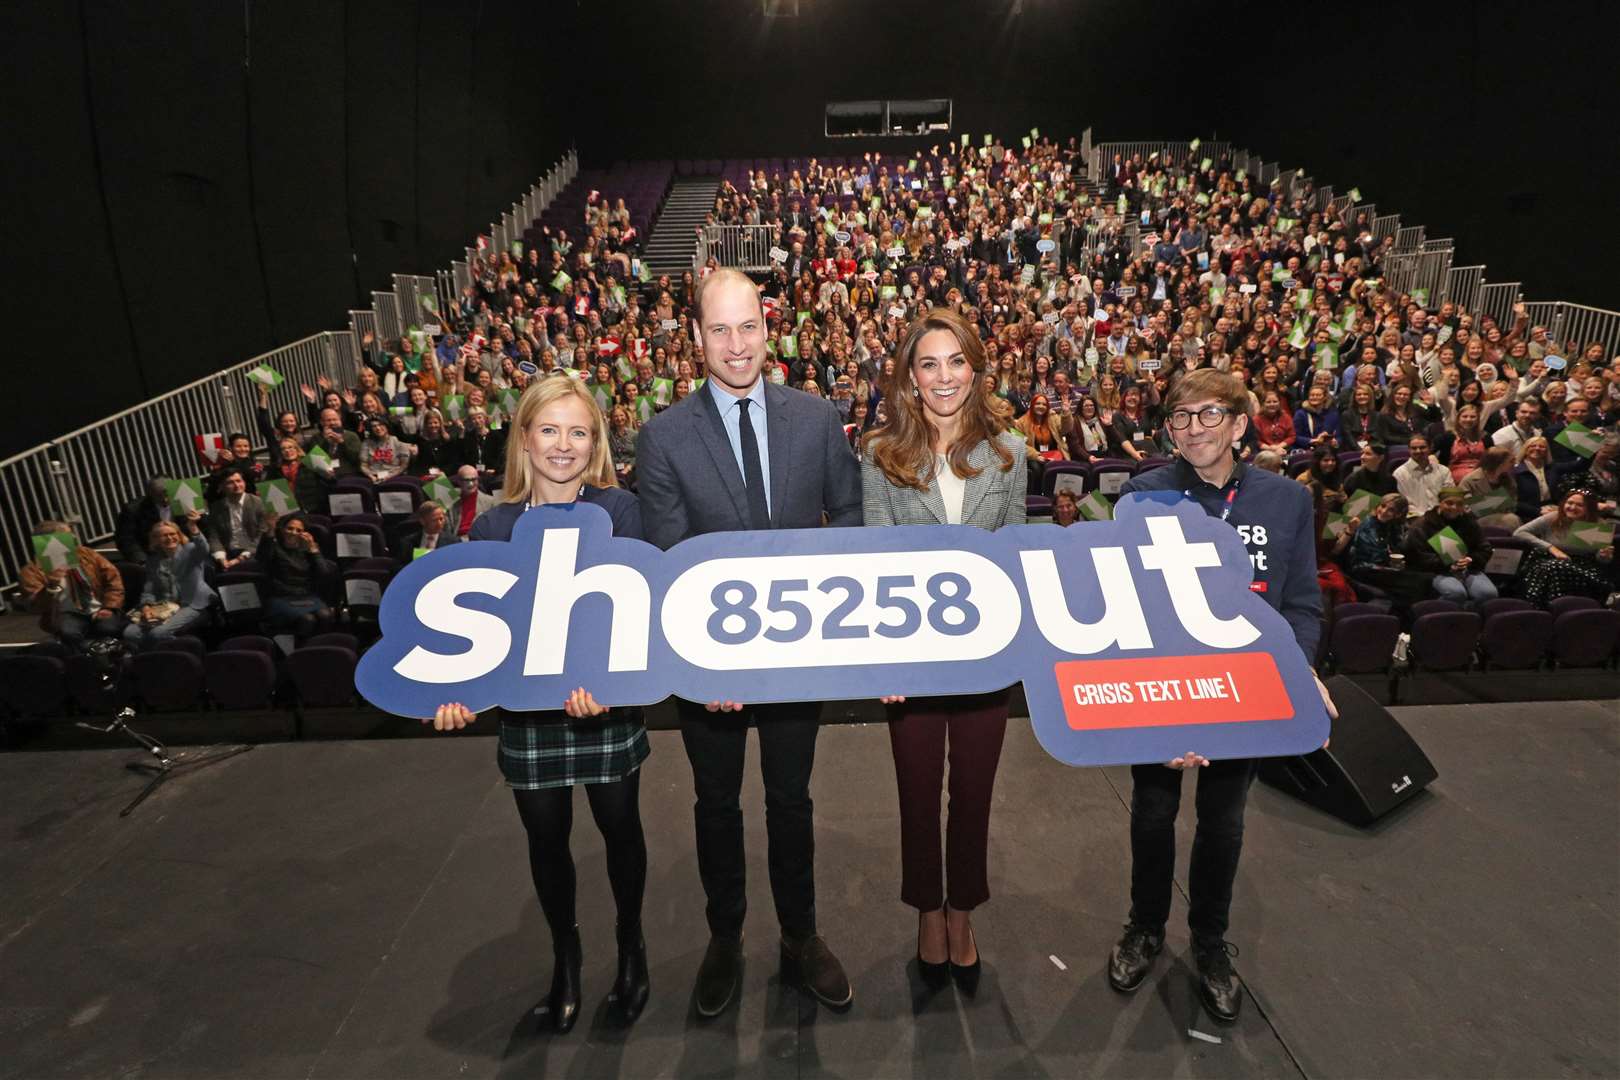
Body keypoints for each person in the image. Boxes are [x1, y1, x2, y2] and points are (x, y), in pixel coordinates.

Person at [635, 268, 862, 1017]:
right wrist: (706, 664)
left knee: (792, 801)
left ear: (770, 330)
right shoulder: (663, 437)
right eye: (720, 330)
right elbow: (669, 558)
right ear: (695, 339)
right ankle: (725, 937)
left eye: (749, 327)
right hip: (712, 673)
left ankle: (800, 936)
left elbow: (850, 524)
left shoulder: (819, 419)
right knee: (715, 803)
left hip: (798, 661)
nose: (737, 345)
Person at [1104, 369, 1334, 1026]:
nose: (1193, 428)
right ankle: (1144, 928)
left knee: (1224, 823)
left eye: (1209, 415)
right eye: (1179, 417)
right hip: (1164, 686)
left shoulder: (1287, 500)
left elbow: (1301, 605)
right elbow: (1130, 606)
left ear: (1240, 423)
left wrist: (1298, 674)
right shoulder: (1144, 495)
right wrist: (1162, 702)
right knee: (1152, 813)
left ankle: (1209, 943)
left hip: (1248, 692)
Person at [429, 377, 652, 1033]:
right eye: (549, 430)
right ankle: (566, 955)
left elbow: (634, 615)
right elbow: (476, 629)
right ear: (524, 438)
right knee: (546, 839)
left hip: (603, 704)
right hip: (527, 715)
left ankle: (631, 946)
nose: (564, 445)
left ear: (596, 442)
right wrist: (457, 697)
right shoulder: (495, 524)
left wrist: (604, 683)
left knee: (621, 830)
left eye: (578, 431)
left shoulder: (621, 509)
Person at [860, 308, 1025, 994]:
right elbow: (872, 563)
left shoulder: (1011, 453)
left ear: (976, 369)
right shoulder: (879, 457)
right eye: (929, 363)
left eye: (956, 361)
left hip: (987, 659)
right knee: (918, 792)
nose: (944, 376)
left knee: (975, 795)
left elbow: (1014, 561)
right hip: (913, 663)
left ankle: (964, 912)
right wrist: (887, 661)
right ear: (909, 379)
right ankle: (928, 912)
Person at [19, 521, 126, 649]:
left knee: (109, 627)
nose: (74, 538)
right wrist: (51, 587)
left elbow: (113, 581)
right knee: (69, 632)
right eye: (68, 536)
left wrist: (109, 607)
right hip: (64, 614)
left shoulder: (87, 555)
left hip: (98, 608)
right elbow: (35, 606)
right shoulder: (32, 571)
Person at [122, 513, 215, 651]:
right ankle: (152, 659)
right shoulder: (153, 561)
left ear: (178, 535)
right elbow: (150, 588)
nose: (170, 538)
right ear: (156, 540)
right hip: (164, 606)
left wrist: (193, 526)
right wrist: (146, 607)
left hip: (191, 604)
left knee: (157, 633)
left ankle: (182, 653)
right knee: (130, 633)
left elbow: (204, 548)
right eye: (164, 535)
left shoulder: (190, 550)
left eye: (173, 534)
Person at [1513, 490, 1616, 608]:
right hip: (1547, 560)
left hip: (1583, 566)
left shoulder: (1600, 524)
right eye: (1569, 503)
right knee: (1555, 567)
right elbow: (1519, 532)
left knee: (1561, 569)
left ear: (1590, 508)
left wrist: (1604, 556)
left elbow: (1602, 560)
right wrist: (1550, 548)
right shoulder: (1553, 517)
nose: (1572, 507)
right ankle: (1551, 609)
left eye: (1579, 505)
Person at [1402, 487, 1498, 607]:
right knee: (1455, 593)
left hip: (1468, 568)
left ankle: (1470, 618)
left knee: (1488, 594)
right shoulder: (1423, 524)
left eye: (1459, 504)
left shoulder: (1470, 523)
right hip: (1436, 570)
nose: (1454, 508)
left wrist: (1470, 559)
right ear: (1440, 503)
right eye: (1449, 503)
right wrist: (1448, 564)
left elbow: (1484, 548)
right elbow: (1417, 555)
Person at [254, 512, 337, 639]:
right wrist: (270, 529)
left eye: (299, 530)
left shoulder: (306, 549)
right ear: (282, 530)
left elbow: (323, 573)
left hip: (306, 596)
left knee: (325, 615)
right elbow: (264, 558)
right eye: (290, 528)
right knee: (308, 619)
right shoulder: (273, 547)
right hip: (281, 597)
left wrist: (313, 550)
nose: (293, 532)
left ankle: (320, 647)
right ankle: (301, 653)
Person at [205, 469, 267, 570]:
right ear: (222, 487)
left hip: (253, 552)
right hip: (228, 552)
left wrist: (240, 558)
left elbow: (262, 534)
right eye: (230, 482)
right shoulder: (216, 508)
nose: (237, 485)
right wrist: (221, 558)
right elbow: (214, 536)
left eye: (239, 481)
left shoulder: (258, 503)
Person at [114, 478, 173, 565]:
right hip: (153, 558)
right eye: (159, 496)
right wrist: (143, 561)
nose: (165, 500)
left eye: (168, 494)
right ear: (150, 494)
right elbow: (126, 540)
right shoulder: (133, 510)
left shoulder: (182, 500)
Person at [1393, 434, 1448, 517]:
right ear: (1409, 450)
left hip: (1441, 516)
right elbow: (1403, 503)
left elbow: (1449, 497)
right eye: (1414, 448)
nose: (1418, 451)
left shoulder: (1443, 471)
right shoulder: (1399, 474)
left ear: (1430, 448)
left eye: (1422, 447)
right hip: (1414, 519)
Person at [448, 464, 496, 538]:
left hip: (477, 541)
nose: (470, 484)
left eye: (474, 479)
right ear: (459, 481)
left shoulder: (490, 501)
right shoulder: (449, 497)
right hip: (453, 541)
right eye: (466, 480)